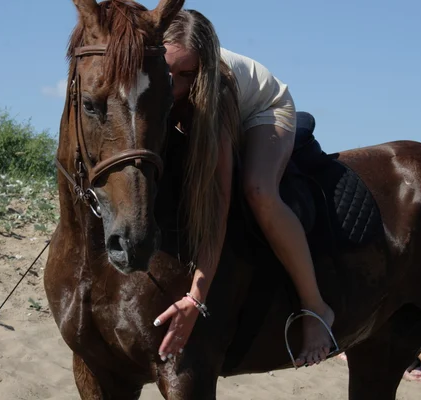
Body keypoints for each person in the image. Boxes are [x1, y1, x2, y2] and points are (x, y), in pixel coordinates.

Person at [153, 9, 335, 368]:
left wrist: (196, 296)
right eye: (166, 71)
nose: (173, 85)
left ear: (202, 72)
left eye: (186, 75)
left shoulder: (216, 92)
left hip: (264, 109)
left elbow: (218, 202)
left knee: (258, 191)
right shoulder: (154, 75)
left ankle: (317, 308)